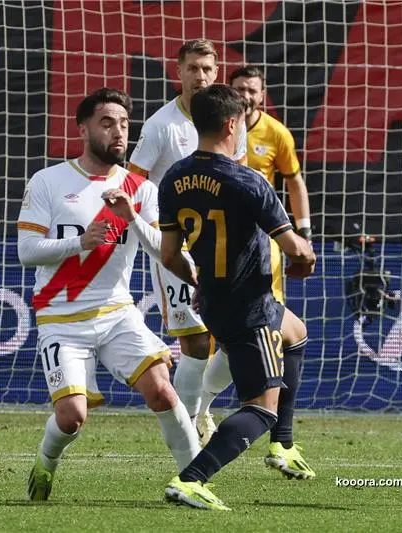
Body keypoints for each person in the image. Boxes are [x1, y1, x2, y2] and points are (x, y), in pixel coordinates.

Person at [18, 88, 201, 501]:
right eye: (106, 123)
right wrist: (81, 242)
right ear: (82, 128)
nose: (118, 132)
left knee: (162, 388)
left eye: (123, 124)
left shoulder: (141, 189)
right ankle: (46, 464)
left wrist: (131, 217)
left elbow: (164, 252)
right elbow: (26, 252)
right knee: (72, 417)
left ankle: (195, 479)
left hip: (118, 313)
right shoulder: (49, 181)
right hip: (61, 317)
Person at [158, 84, 316, 510]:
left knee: (296, 333)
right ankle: (193, 479)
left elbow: (170, 254)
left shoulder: (173, 178)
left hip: (212, 300)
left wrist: (199, 279)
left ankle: (283, 444)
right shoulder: (249, 181)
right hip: (250, 306)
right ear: (232, 124)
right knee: (261, 408)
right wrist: (308, 256)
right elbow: (296, 250)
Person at [195, 65, 315, 480]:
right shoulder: (220, 149)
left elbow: (295, 182)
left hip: (268, 247)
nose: (246, 95)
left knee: (286, 333)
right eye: (240, 89)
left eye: (253, 90)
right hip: (232, 256)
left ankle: (281, 440)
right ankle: (216, 418)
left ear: (262, 96)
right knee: (244, 340)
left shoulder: (276, 134)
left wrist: (303, 234)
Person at [128, 39, 246, 425]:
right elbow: (132, 184)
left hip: (223, 244)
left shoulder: (232, 119)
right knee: (195, 341)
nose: (200, 76)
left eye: (207, 69)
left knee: (234, 337)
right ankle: (188, 427)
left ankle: (203, 410)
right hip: (177, 245)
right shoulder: (161, 125)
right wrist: (146, 233)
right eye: (193, 68)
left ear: (217, 72)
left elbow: (240, 176)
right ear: (178, 72)